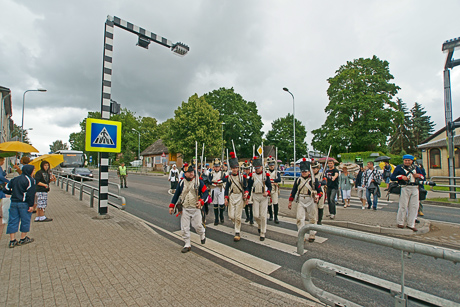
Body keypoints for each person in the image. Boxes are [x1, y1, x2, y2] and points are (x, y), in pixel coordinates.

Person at [169, 163, 208, 253]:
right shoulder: (182, 183)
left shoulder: (198, 182)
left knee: (197, 226)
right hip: (185, 208)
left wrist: (201, 201)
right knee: (184, 228)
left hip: (196, 208)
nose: (191, 173)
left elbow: (205, 193)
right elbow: (176, 195)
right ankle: (187, 244)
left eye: (192, 171)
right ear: (185, 173)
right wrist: (172, 206)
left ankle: (202, 234)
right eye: (189, 172)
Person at [288, 158, 323, 242]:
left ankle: (312, 234)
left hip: (310, 200)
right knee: (300, 218)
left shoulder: (314, 180)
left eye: (306, 171)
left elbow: (320, 192)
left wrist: (318, 196)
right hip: (301, 200)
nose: (304, 173)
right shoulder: (298, 180)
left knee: (312, 218)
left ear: (309, 171)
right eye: (303, 171)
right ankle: (301, 235)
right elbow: (293, 191)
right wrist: (290, 202)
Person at [3, 165, 36, 248]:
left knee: (13, 220)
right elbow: (31, 194)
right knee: (25, 220)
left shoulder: (14, 179)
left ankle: (12, 240)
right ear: (30, 171)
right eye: (33, 170)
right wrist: (31, 205)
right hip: (24, 203)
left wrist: (13, 193)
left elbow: (5, 189)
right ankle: (23, 238)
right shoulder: (30, 180)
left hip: (13, 202)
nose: (34, 171)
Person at [390, 155, 424, 232]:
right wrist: (401, 177)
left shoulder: (416, 168)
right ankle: (400, 222)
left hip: (415, 187)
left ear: (412, 161)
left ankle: (411, 224)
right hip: (404, 187)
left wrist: (418, 176)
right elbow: (392, 177)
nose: (407, 162)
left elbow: (422, 176)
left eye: (409, 160)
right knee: (403, 205)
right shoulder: (399, 167)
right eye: (405, 160)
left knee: (414, 206)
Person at [246, 156, 272, 241]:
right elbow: (249, 187)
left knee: (263, 215)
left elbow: (270, 187)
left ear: (261, 167)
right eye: (256, 168)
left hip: (263, 196)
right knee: (256, 215)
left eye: (258, 168)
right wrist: (247, 195)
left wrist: (267, 193)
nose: (257, 170)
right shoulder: (252, 176)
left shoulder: (265, 175)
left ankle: (262, 232)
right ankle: (260, 224)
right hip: (255, 196)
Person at [224, 152, 247, 242]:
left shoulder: (242, 176)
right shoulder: (229, 177)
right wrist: (226, 198)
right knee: (231, 215)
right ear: (231, 168)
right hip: (232, 196)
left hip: (239, 196)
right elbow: (226, 188)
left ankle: (237, 231)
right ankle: (236, 223)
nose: (235, 170)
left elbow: (245, 186)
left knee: (238, 216)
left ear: (238, 168)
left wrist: (246, 193)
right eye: (233, 168)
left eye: (236, 168)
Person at [209, 158, 225, 225]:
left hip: (220, 188)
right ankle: (216, 218)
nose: (217, 168)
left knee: (221, 204)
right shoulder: (211, 173)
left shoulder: (222, 173)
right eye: (215, 167)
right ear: (213, 167)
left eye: (218, 166)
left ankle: (221, 215)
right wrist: (212, 183)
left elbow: (224, 179)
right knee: (215, 204)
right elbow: (209, 180)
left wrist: (219, 181)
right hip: (214, 189)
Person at [266, 156, 281, 223]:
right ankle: (271, 215)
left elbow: (279, 179)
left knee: (275, 203)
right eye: (270, 165)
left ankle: (276, 217)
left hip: (274, 189)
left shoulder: (276, 172)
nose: (271, 166)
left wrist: (273, 180)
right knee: (269, 203)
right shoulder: (266, 172)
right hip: (268, 189)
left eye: (272, 165)